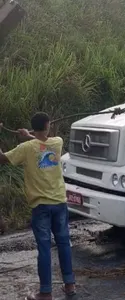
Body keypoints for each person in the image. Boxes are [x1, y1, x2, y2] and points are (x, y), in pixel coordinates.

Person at [0, 113, 76, 300]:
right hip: (59, 203)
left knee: (44, 249)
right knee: (64, 244)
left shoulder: (25, 148)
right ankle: (70, 286)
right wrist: (29, 135)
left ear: (34, 128)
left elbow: (2, 158)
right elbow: (43, 142)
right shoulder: (57, 142)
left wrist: (24, 136)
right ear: (48, 126)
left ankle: (46, 292)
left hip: (41, 206)